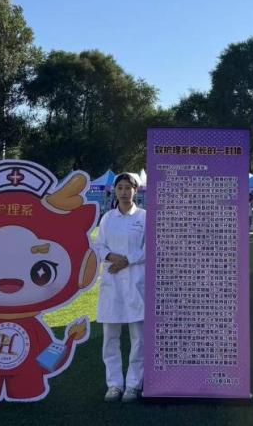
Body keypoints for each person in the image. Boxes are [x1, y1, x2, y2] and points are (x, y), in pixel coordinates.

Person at [96, 172, 147, 403]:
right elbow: (99, 246)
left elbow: (149, 248)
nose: (124, 192)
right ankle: (114, 384)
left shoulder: (144, 217)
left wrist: (127, 260)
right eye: (120, 188)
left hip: (136, 281)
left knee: (138, 338)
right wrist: (111, 256)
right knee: (110, 337)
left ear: (136, 190)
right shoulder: (108, 218)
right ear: (114, 191)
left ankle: (133, 384)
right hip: (112, 283)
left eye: (128, 187)